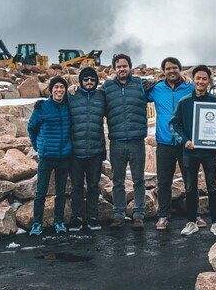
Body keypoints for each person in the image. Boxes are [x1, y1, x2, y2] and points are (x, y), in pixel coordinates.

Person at [169, 65, 216, 237]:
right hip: (190, 152)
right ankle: (191, 222)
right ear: (193, 80)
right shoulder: (184, 102)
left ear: (209, 81)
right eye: (198, 78)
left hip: (209, 153)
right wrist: (185, 141)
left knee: (213, 187)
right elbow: (174, 124)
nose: (201, 82)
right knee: (190, 188)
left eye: (204, 79)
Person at [148, 57, 194, 230]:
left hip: (185, 142)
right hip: (164, 142)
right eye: (168, 69)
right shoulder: (157, 89)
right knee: (164, 181)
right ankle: (163, 216)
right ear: (163, 71)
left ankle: (194, 215)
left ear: (180, 69)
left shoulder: (190, 87)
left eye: (175, 68)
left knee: (190, 181)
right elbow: (139, 92)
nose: (171, 71)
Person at [104, 53, 148, 229]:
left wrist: (185, 79)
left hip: (137, 141)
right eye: (119, 66)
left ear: (130, 67)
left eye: (125, 66)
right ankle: (119, 215)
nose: (122, 69)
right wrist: (72, 89)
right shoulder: (107, 87)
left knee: (139, 180)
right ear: (114, 69)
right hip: (117, 141)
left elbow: (166, 85)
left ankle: (139, 215)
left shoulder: (140, 84)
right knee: (118, 181)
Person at [27, 77, 72, 235]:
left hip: (64, 156)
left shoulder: (68, 106)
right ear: (51, 90)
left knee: (61, 192)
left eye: (62, 87)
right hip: (46, 156)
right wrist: (37, 146)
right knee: (41, 192)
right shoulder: (42, 107)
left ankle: (58, 221)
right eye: (56, 87)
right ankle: (37, 223)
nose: (59, 90)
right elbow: (31, 128)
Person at [66, 67, 106, 231]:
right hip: (76, 150)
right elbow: (55, 96)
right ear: (80, 81)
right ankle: (76, 217)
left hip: (95, 150)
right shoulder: (72, 95)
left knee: (93, 186)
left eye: (92, 79)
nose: (89, 82)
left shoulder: (102, 96)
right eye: (86, 79)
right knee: (76, 187)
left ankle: (92, 217)